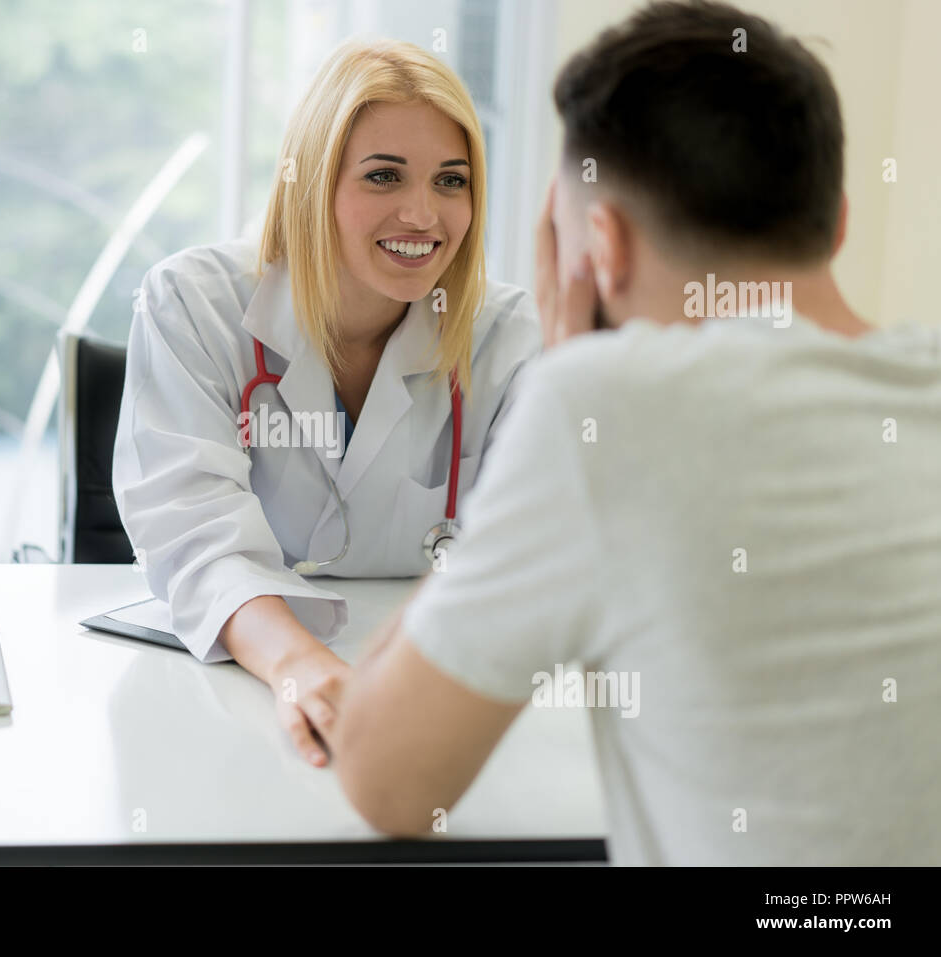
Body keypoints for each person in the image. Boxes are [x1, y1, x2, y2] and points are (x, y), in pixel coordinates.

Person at [327, 0, 941, 864]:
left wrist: (574, 378)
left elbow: (382, 776)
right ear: (837, 222)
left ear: (602, 248)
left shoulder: (606, 408)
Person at [112, 38, 540, 767]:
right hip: (225, 690)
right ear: (310, 182)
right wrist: (300, 668)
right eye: (383, 176)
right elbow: (198, 542)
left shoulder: (510, 337)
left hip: (428, 688)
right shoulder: (193, 305)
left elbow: (527, 561)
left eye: (451, 180)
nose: (422, 214)